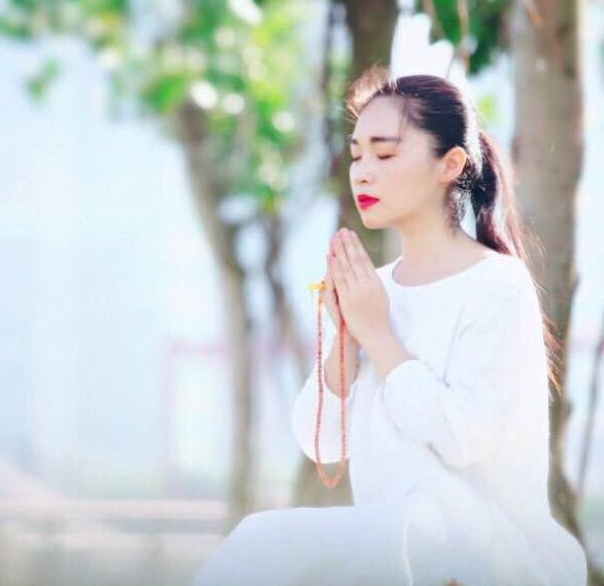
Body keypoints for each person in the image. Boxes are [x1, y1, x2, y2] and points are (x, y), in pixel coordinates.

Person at [189, 68, 588, 585]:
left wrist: (377, 334)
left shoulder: (496, 284)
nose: (362, 173)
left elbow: (465, 436)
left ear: (450, 164)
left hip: (485, 548)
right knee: (256, 545)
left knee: (266, 546)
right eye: (356, 155)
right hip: (396, 540)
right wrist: (346, 338)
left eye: (384, 154)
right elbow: (322, 445)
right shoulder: (372, 289)